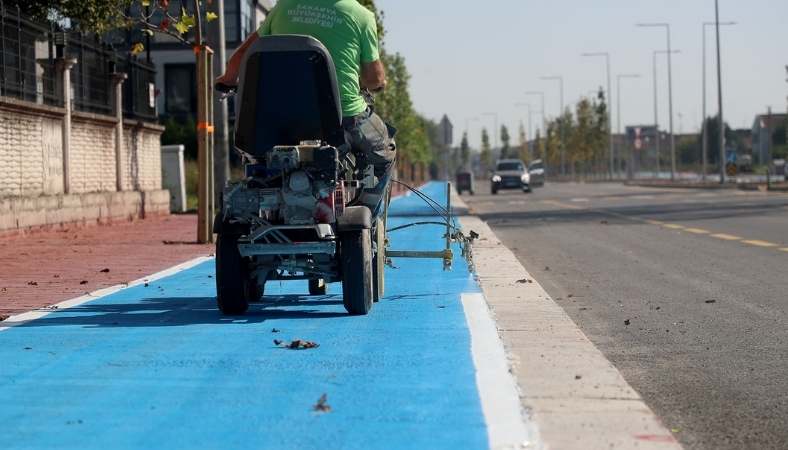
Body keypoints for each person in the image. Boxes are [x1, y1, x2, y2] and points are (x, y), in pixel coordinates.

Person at [216, 0, 395, 215]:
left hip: (277, 120)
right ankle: (364, 213)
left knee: (259, 164)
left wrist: (227, 78)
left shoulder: (284, 7)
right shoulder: (361, 16)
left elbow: (244, 53)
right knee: (384, 153)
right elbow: (373, 79)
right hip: (341, 118)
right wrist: (377, 83)